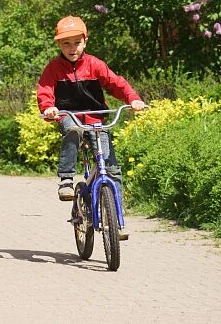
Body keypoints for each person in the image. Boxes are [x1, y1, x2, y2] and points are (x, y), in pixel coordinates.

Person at [37, 16, 146, 201]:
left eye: (77, 43)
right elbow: (45, 91)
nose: (72, 48)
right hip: (68, 115)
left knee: (111, 169)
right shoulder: (54, 68)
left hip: (95, 117)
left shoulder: (94, 64)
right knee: (73, 129)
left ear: (85, 42)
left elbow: (116, 83)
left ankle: (117, 221)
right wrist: (48, 108)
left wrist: (133, 99)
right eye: (66, 44)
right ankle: (66, 178)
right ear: (59, 45)